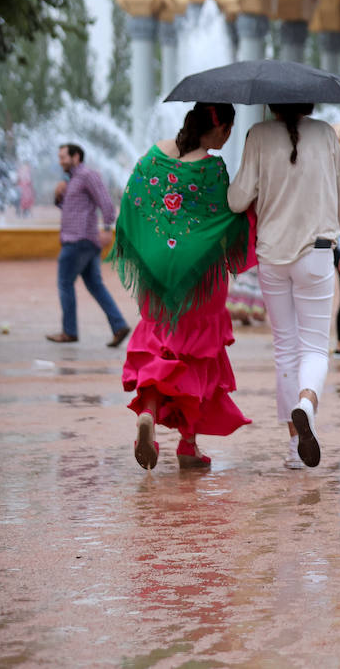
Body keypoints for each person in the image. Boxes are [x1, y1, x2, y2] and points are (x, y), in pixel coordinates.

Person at [110, 103, 252, 470]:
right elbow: (227, 216)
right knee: (197, 352)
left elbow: (133, 202)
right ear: (220, 130)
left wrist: (152, 249)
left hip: (158, 271)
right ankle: (188, 444)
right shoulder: (212, 168)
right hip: (200, 277)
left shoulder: (154, 155)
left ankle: (150, 415)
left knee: (161, 341)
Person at [228, 104, 340, 470]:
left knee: (285, 348)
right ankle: (307, 404)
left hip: (272, 254)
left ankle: (292, 449)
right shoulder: (326, 134)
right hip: (317, 253)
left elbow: (237, 199)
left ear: (272, 104)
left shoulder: (258, 134)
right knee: (315, 346)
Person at [47, 143, 131, 347]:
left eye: (63, 157)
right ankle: (119, 325)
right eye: (59, 157)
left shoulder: (87, 175)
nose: (61, 161)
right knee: (95, 285)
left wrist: (107, 228)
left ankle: (69, 331)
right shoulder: (72, 180)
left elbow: (106, 202)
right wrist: (58, 195)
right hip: (82, 240)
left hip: (78, 240)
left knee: (65, 283)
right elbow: (71, 208)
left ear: (76, 157)